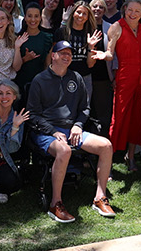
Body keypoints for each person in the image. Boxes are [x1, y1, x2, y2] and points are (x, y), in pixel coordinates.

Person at [28, 41, 117, 221]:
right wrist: (52, 131)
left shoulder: (76, 77)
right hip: (46, 132)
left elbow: (85, 108)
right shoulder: (40, 80)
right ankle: (55, 204)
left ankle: (100, 197)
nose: (67, 56)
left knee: (106, 145)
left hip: (72, 129)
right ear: (53, 55)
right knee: (64, 150)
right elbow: (33, 115)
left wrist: (78, 125)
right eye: (62, 53)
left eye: (69, 53)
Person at [106, 0, 141, 171]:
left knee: (138, 118)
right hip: (124, 77)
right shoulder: (116, 27)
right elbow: (110, 52)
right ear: (124, 9)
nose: (133, 13)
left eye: (137, 11)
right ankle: (108, 162)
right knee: (118, 118)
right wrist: (105, 56)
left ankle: (130, 156)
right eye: (130, 9)